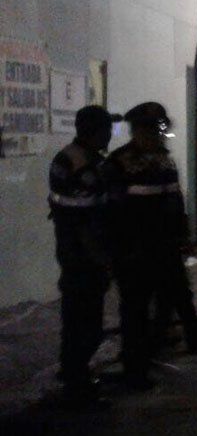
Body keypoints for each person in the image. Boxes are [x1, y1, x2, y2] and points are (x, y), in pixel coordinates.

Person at [102, 102, 197, 389]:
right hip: (134, 251)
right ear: (137, 130)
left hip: (164, 247)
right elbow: (111, 213)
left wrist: (183, 236)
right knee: (136, 310)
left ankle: (164, 344)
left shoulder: (164, 159)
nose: (156, 135)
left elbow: (175, 201)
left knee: (176, 294)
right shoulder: (118, 163)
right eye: (150, 129)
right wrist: (116, 251)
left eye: (158, 129)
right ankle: (135, 369)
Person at [48, 105, 120, 408]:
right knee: (86, 322)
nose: (109, 136)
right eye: (107, 129)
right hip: (84, 257)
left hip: (71, 253)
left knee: (74, 316)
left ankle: (72, 374)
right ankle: (78, 387)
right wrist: (102, 259)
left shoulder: (66, 157)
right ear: (95, 131)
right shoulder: (84, 166)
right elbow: (84, 222)